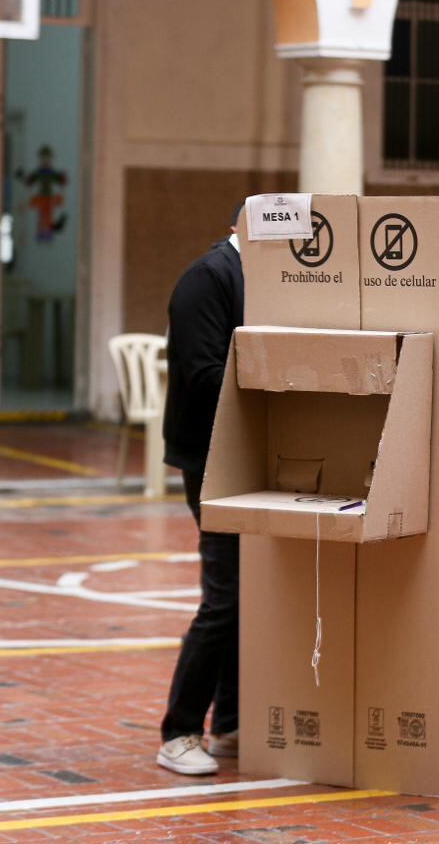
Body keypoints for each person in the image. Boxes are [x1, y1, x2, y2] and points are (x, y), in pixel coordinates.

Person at [156, 205, 245, 774]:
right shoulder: (208, 278)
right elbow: (203, 372)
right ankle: (179, 731)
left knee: (251, 594)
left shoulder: (265, 280)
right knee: (227, 592)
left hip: (250, 454)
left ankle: (231, 723)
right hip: (211, 457)